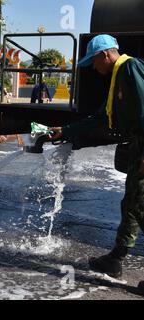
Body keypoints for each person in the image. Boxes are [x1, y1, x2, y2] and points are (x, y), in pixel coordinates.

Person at [50, 35, 144, 295]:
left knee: (141, 204)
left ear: (104, 55)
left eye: (93, 61)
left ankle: (116, 257)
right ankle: (116, 258)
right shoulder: (117, 77)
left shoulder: (130, 67)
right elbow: (101, 117)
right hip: (137, 144)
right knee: (132, 203)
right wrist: (65, 130)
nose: (93, 67)